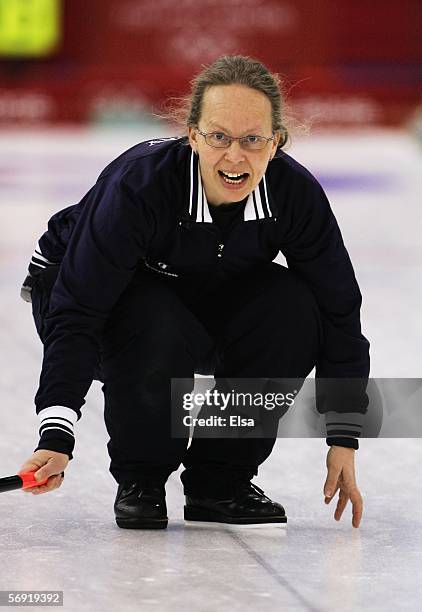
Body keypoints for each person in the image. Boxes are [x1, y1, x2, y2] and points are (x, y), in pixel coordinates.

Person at [18, 55, 369, 529]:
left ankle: (218, 481)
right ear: (193, 136)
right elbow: (78, 311)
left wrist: (343, 436)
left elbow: (338, 310)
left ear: (276, 142)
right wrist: (56, 436)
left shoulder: (294, 194)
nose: (235, 156)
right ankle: (141, 478)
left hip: (199, 293)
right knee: (153, 314)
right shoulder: (140, 185)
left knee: (293, 307)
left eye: (252, 140)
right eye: (219, 137)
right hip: (79, 295)